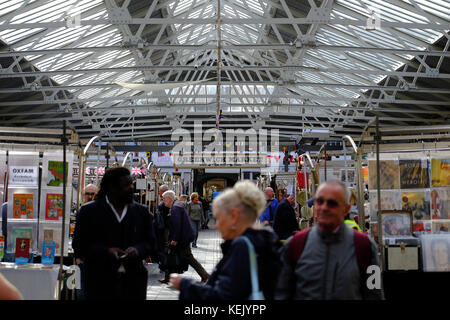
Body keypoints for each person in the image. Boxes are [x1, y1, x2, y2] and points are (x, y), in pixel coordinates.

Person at [169, 180, 282, 300]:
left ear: (234, 216)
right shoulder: (266, 241)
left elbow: (223, 296)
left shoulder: (242, 247)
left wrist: (185, 285)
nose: (216, 226)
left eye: (219, 218)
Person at [275, 180, 384, 300]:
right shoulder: (296, 245)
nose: (324, 207)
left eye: (332, 203)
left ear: (346, 209)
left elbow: (374, 294)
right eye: (320, 201)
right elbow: (282, 293)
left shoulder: (364, 247)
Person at [72, 167, 156, 300]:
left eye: (131, 184)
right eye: (126, 185)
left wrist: (137, 249)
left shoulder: (141, 212)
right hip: (99, 281)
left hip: (133, 282)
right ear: (112, 188)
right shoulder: (89, 212)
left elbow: (151, 243)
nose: (131, 188)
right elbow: (79, 244)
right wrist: (106, 251)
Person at [159, 190, 209, 284]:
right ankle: (167, 277)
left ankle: (204, 275)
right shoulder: (176, 206)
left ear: (169, 199)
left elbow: (177, 225)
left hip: (183, 238)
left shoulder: (175, 208)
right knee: (170, 254)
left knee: (188, 257)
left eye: (164, 199)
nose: (163, 201)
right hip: (183, 236)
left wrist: (175, 239)